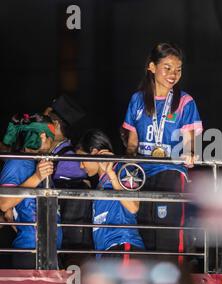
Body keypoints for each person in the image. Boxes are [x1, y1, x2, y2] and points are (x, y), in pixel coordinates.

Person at [121, 42, 203, 265]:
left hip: (171, 172)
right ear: (151, 67)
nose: (173, 74)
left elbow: (189, 143)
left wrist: (190, 153)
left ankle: (173, 283)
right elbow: (132, 143)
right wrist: (127, 165)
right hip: (141, 174)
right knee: (144, 228)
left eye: (178, 69)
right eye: (167, 68)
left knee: (168, 234)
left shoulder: (185, 101)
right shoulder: (137, 100)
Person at [0, 113, 63, 269]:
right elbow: (3, 202)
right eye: (51, 139)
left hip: (47, 249)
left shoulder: (34, 162)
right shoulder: (17, 162)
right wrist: (37, 176)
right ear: (42, 136)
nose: (52, 145)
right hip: (31, 251)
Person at [76, 129, 145, 264]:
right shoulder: (99, 183)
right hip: (107, 254)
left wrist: (112, 174)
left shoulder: (125, 169)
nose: (80, 165)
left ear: (95, 153)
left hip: (123, 248)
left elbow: (133, 207)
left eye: (82, 159)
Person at [43, 95, 93, 268]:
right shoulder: (57, 154)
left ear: (56, 125)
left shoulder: (69, 160)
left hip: (68, 243)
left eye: (45, 121)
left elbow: (74, 208)